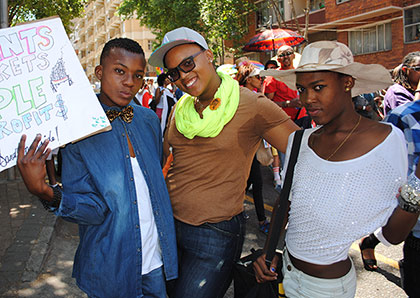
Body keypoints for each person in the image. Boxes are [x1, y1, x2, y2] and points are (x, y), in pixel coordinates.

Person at [254, 41, 420, 297]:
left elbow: (393, 234)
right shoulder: (301, 140)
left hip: (327, 289)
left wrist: (418, 182)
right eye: (302, 89)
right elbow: (285, 203)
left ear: (347, 83)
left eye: (318, 87)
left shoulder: (386, 139)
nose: (308, 99)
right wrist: (268, 252)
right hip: (285, 274)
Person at [16, 38, 178, 298]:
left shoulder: (148, 120)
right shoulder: (79, 129)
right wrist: (45, 191)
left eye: (137, 75)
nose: (129, 82)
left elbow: (154, 188)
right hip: (110, 270)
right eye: (119, 71)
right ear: (99, 72)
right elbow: (92, 210)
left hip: (157, 265)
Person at [148, 27, 298, 298]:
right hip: (169, 229)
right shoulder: (181, 111)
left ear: (209, 56)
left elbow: (304, 156)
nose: (183, 76)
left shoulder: (251, 104)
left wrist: (275, 242)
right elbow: (169, 163)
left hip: (215, 236)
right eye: (174, 72)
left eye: (188, 63)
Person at [359, 51, 420, 272]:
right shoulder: (400, 98)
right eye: (418, 68)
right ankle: (369, 243)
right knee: (395, 225)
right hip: (406, 182)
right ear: (406, 70)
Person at [236, 63, 270, 234]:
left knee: (249, 183)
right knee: (255, 183)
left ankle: (236, 212)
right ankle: (261, 219)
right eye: (258, 77)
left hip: (254, 146)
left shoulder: (255, 95)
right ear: (249, 80)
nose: (261, 80)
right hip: (245, 147)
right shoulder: (243, 96)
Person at [263, 45, 301, 190]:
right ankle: (286, 189)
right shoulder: (273, 77)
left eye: (288, 53)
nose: (285, 57)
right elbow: (268, 104)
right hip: (283, 124)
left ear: (293, 56)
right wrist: (288, 103)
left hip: (302, 119)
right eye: (282, 55)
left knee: (300, 157)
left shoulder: (299, 73)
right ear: (277, 59)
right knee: (286, 159)